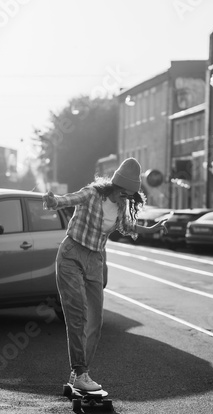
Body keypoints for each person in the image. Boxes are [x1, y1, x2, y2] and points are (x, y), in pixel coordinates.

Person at [42, 158, 167, 392]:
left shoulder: (120, 206)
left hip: (95, 261)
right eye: (123, 193)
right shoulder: (92, 194)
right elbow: (68, 199)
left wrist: (150, 229)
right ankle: (80, 372)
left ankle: (80, 373)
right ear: (115, 186)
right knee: (77, 316)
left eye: (130, 196)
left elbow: (126, 227)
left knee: (95, 322)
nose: (125, 199)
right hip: (71, 255)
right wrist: (53, 201)